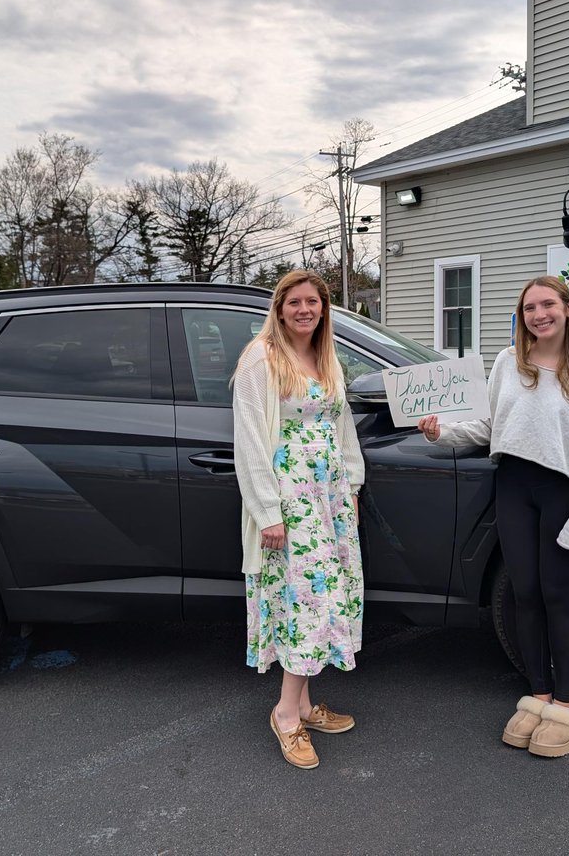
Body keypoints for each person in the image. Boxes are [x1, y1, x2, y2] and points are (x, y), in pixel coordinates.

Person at [418, 275, 569, 758]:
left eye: (547, 305)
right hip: (512, 486)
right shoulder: (509, 361)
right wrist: (440, 434)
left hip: (561, 492)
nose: (538, 315)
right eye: (529, 308)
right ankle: (539, 696)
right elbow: (490, 425)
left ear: (568, 309)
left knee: (558, 597)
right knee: (524, 595)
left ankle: (566, 707)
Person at [232, 269, 365, 770]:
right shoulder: (261, 358)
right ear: (280, 308)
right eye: (295, 302)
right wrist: (267, 512)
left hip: (328, 500)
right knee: (305, 601)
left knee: (321, 595)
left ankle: (305, 706)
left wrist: (351, 486)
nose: (304, 310)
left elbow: (341, 425)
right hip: (290, 502)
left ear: (323, 308)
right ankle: (286, 715)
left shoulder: (325, 356)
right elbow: (249, 439)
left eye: (313, 302)